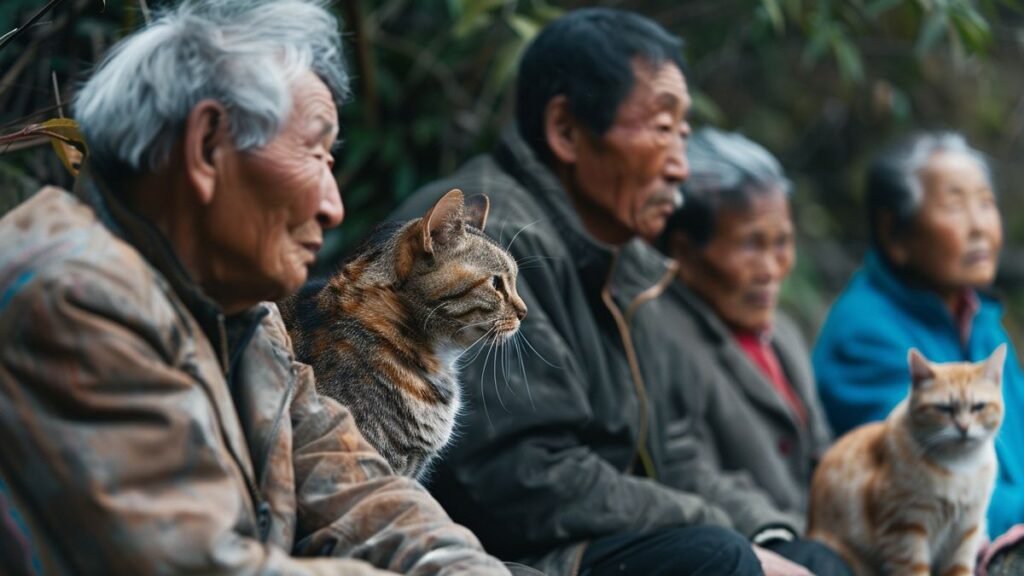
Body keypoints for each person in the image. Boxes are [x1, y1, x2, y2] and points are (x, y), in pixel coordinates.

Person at [0, 1, 515, 574]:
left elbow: (352, 486)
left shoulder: (243, 313)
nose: (332, 205)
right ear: (207, 147)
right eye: (315, 154)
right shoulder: (70, 296)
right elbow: (202, 564)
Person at [389, 8, 806, 576]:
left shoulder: (630, 261)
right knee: (718, 559)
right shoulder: (493, 244)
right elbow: (519, 478)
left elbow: (674, 453)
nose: (682, 166)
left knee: (809, 557)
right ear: (566, 132)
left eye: (683, 133)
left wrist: (770, 533)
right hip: (498, 554)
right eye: (662, 129)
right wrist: (711, 525)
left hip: (604, 536)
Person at [812, 132, 1024, 574]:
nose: (980, 226)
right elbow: (934, 487)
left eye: (985, 203)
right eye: (955, 205)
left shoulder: (981, 322)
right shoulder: (865, 333)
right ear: (895, 233)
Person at [653, 128, 850, 575]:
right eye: (750, 245)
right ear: (685, 250)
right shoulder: (661, 333)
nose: (771, 268)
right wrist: (781, 535)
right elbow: (686, 471)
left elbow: (822, 451)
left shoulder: (782, 332)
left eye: (781, 242)